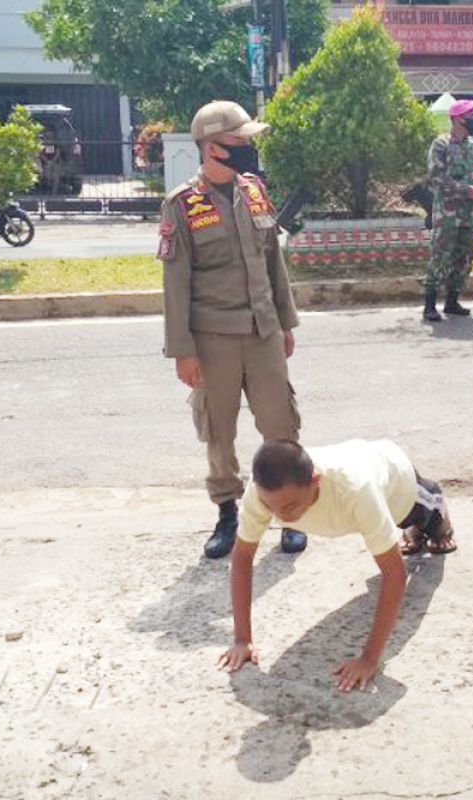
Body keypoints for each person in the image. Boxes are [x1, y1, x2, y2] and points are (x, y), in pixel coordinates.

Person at [160, 100, 306, 560]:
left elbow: (272, 262)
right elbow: (176, 281)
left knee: (280, 423)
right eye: (238, 141)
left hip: (263, 332)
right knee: (218, 429)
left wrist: (285, 321)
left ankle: (289, 512)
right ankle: (227, 511)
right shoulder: (183, 204)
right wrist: (183, 350)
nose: (247, 147)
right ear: (212, 147)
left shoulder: (255, 191)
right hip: (212, 338)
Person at [217, 440, 455, 692]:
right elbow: (242, 558)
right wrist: (242, 640)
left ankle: (436, 511)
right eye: (269, 507)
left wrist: (369, 660)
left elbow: (395, 573)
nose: (279, 516)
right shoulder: (261, 493)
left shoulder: (356, 488)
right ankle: (408, 531)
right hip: (358, 487)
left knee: (421, 520)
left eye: (288, 507)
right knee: (389, 530)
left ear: (315, 482)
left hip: (393, 478)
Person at [423, 98, 473, 322]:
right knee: (440, 257)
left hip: (470, 215)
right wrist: (465, 190)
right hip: (448, 215)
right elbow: (436, 177)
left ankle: (452, 301)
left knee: (464, 259)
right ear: (455, 119)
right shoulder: (441, 144)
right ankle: (430, 305)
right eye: (468, 115)